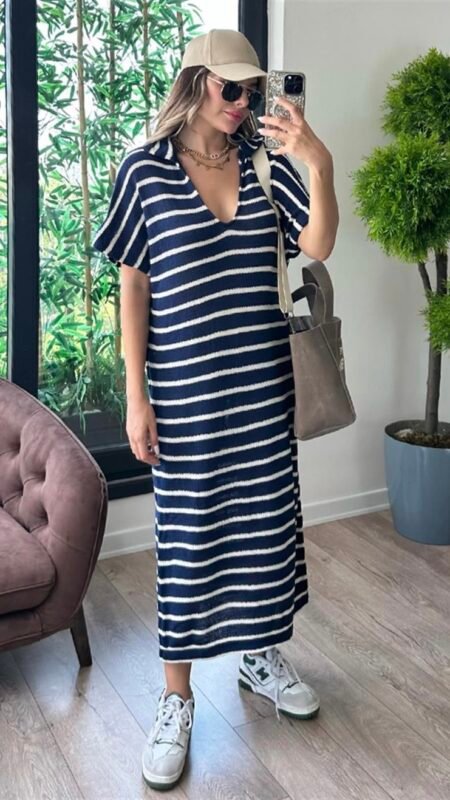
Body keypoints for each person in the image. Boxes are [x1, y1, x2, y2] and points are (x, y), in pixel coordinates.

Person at [93, 27, 338, 793]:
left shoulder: (267, 165)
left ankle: (260, 658)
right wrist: (136, 396)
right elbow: (133, 287)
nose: (241, 102)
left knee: (265, 529)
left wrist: (319, 162)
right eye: (230, 88)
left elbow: (318, 245)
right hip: (186, 397)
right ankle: (176, 700)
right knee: (188, 539)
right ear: (196, 82)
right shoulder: (145, 170)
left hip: (263, 389)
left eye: (251, 91)